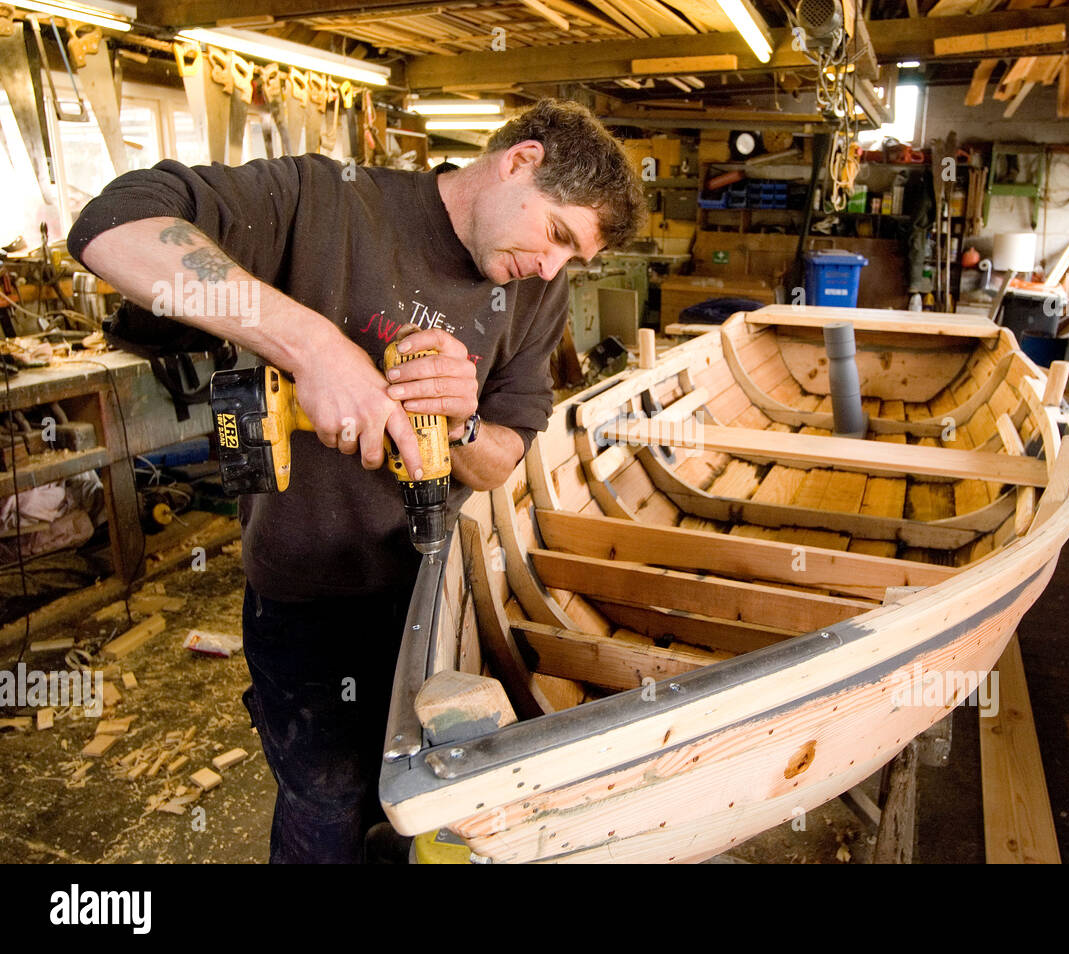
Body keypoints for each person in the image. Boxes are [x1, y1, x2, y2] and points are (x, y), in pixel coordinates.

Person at [66, 98, 646, 863]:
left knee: (424, 805)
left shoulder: (536, 290)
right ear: (519, 162)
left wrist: (462, 424)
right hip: (310, 604)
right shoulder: (323, 201)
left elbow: (505, 452)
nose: (551, 268)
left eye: (573, 261)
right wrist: (312, 346)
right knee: (325, 807)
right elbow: (112, 227)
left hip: (444, 596)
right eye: (557, 236)